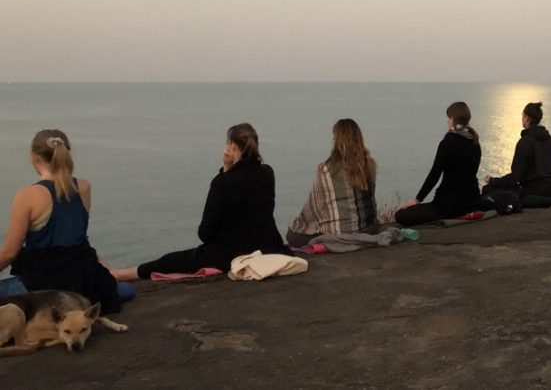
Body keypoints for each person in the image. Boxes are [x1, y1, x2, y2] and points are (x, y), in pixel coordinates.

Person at [111, 123, 289, 281]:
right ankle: (122, 273)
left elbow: (205, 234)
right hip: (268, 246)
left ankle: (123, 274)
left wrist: (225, 171)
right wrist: (227, 169)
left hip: (231, 254)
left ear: (232, 146)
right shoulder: (267, 173)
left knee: (171, 261)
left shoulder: (222, 182)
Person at [0, 130, 120, 313]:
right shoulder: (83, 187)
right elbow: (77, 239)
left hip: (46, 287)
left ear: (35, 157)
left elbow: (9, 252)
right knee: (121, 290)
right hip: (84, 281)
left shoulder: (28, 195)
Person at [286, 119, 380, 247]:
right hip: (369, 229)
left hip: (341, 233)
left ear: (337, 139)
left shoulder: (326, 169)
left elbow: (313, 208)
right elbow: (371, 200)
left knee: (292, 235)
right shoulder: (370, 164)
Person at [395, 102, 483, 227]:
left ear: (452, 119)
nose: (447, 121)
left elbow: (434, 174)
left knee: (401, 215)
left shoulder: (447, 143)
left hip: (448, 205)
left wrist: (417, 199)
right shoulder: (475, 142)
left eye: (448, 118)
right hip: (473, 201)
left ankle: (455, 215)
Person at [483, 102, 551, 198]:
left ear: (527, 118)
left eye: (523, 117)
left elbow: (516, 177)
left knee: (488, 189)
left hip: (534, 190)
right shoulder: (550, 139)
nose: (522, 119)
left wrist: (493, 181)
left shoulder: (525, 142)